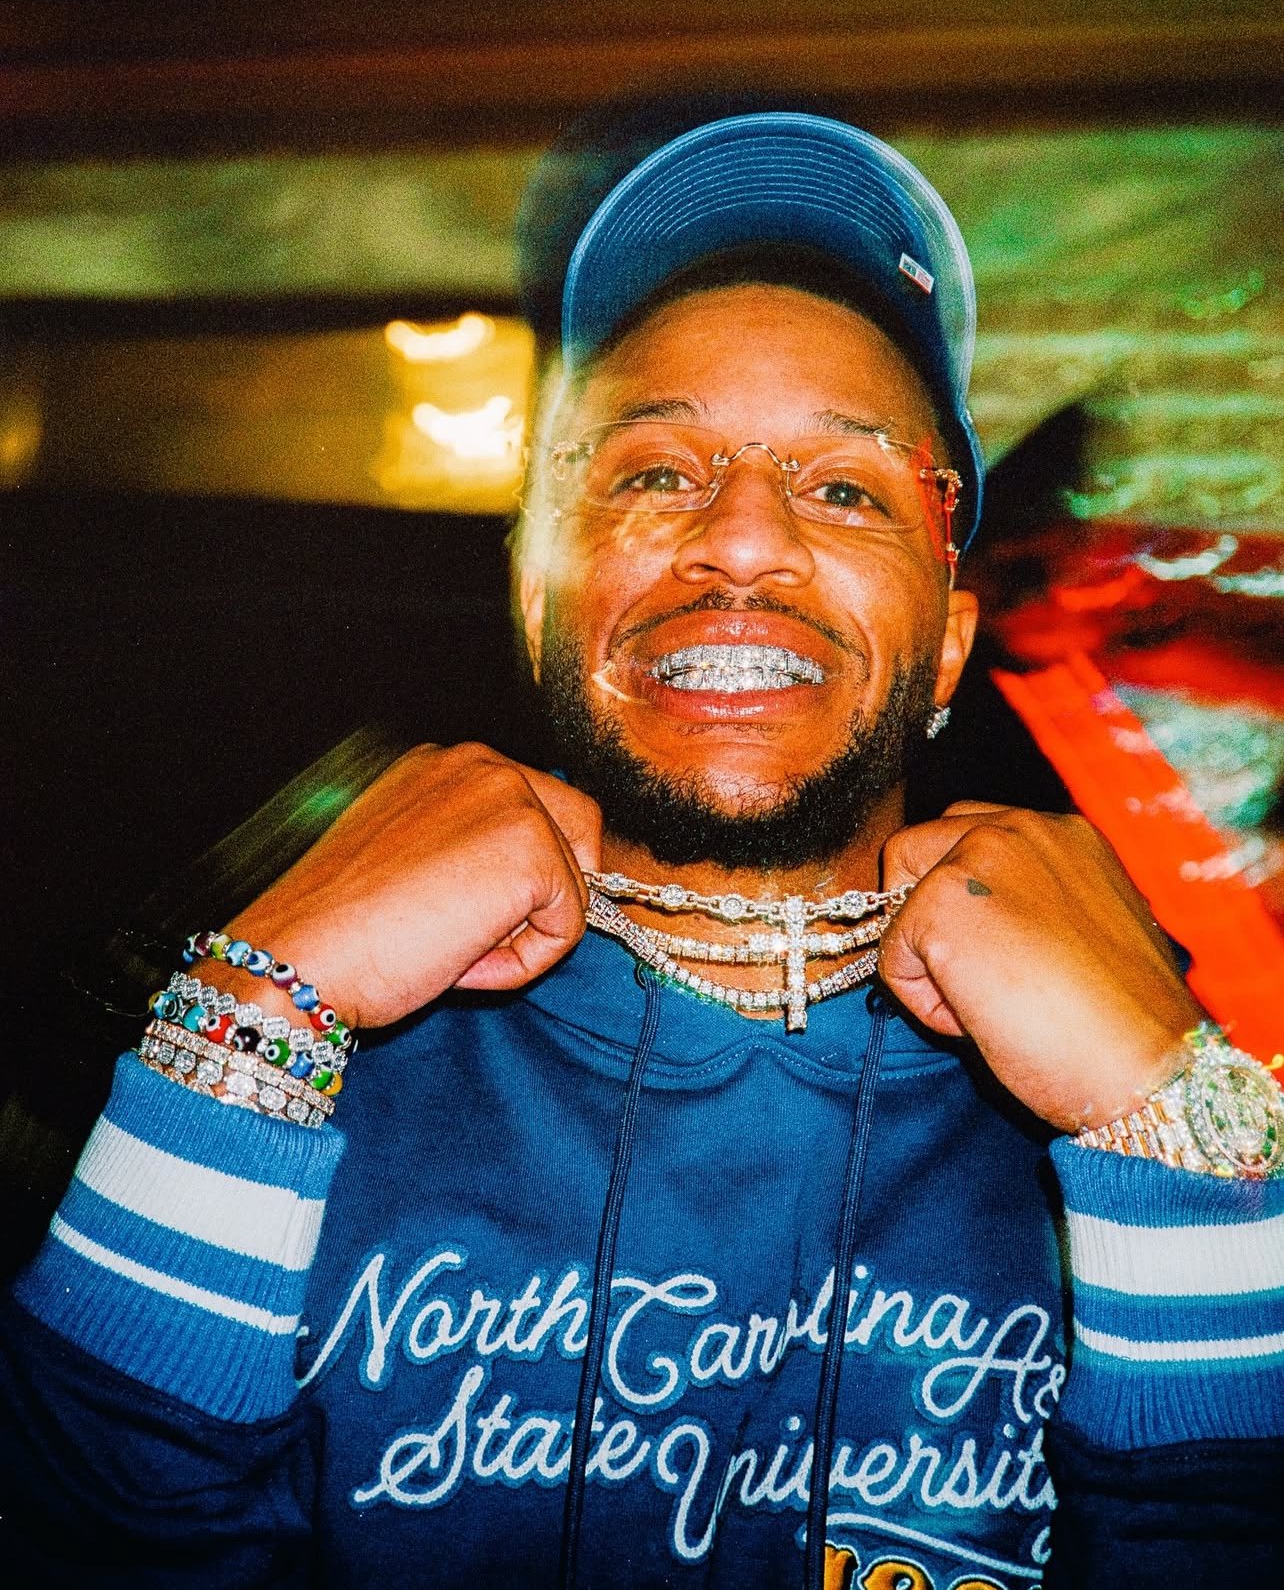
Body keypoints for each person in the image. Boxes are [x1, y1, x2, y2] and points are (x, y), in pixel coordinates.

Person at [2, 110, 1282, 1590]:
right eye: (653, 474)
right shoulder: (284, 1063)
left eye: (848, 486)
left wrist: (1180, 1140)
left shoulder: (1138, 1098)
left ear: (947, 647)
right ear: (539, 606)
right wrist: (245, 1023)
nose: (740, 542)